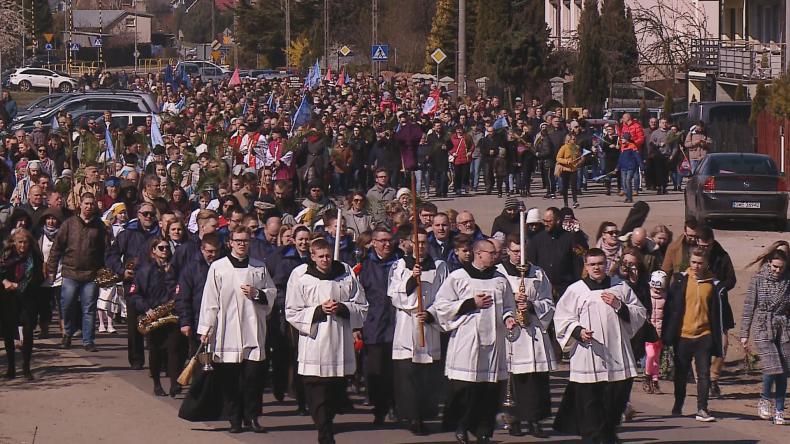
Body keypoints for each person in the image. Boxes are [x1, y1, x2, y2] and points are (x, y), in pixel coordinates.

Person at [553, 248, 646, 444]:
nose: (597, 268)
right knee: (590, 405)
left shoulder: (620, 287)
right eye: (592, 264)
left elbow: (640, 312)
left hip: (616, 354)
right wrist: (578, 331)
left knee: (614, 402)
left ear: (606, 264)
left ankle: (607, 434)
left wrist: (620, 306)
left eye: (600, 264)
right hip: (588, 356)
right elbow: (561, 318)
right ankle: (593, 438)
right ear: (586, 266)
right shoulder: (576, 290)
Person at [434, 239, 517, 444]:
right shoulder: (458, 277)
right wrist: (471, 303)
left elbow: (508, 305)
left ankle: (484, 431)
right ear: (478, 253)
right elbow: (441, 306)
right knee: (466, 389)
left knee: (489, 390)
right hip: (467, 340)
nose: (496, 256)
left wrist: (509, 318)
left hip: (493, 342)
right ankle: (462, 426)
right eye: (492, 253)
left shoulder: (500, 279)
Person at [285, 238, 368, 444]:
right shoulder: (301, 275)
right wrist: (319, 310)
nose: (325, 260)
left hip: (339, 341)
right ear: (312, 256)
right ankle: (324, 432)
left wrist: (343, 308)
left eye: (328, 255)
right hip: (315, 341)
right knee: (316, 389)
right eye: (320, 256)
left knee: (334, 390)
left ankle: (327, 423)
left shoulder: (346, 272)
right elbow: (292, 310)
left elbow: (362, 304)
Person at [197, 227, 277, 434]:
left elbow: (272, 293)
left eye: (246, 241)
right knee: (231, 380)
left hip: (253, 329)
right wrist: (206, 328)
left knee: (253, 379)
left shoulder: (259, 267)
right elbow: (210, 300)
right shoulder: (218, 267)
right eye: (238, 241)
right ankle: (234, 420)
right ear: (230, 243)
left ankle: (252, 417)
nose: (242, 244)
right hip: (227, 331)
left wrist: (257, 293)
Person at [387, 228, 449, 435]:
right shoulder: (401, 265)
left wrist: (431, 314)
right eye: (417, 242)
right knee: (409, 376)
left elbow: (445, 297)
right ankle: (412, 417)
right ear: (409, 244)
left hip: (429, 326)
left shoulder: (440, 266)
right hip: (407, 326)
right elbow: (395, 295)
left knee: (427, 378)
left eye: (424, 242)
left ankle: (425, 413)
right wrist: (412, 280)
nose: (420, 246)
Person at [497, 234, 556, 438]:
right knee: (514, 381)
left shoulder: (538, 272)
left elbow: (549, 301)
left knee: (537, 380)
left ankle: (536, 421)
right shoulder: (499, 273)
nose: (519, 255)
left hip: (534, 331)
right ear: (507, 251)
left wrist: (532, 305)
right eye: (515, 251)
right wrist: (511, 302)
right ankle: (513, 420)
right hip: (512, 333)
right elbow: (495, 301)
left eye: (522, 251)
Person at [663, 248, 731, 422]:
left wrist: (721, 332)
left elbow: (718, 311)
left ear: (706, 263)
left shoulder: (713, 284)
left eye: (700, 263)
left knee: (703, 374)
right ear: (689, 261)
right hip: (683, 335)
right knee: (681, 374)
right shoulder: (680, 280)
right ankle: (678, 405)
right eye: (693, 262)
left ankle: (702, 409)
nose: (696, 266)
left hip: (704, 335)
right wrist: (667, 333)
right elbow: (671, 308)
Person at [46, 192, 106, 351]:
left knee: (89, 308)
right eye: (86, 203)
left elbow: (103, 250)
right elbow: (56, 248)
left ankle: (88, 340)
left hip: (90, 274)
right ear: (80, 204)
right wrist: (51, 269)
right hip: (70, 272)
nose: (89, 207)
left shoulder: (99, 226)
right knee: (67, 305)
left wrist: (103, 270)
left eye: (91, 204)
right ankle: (67, 333)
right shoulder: (69, 224)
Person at [105, 201, 161, 368]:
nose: (149, 217)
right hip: (134, 282)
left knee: (156, 322)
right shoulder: (127, 233)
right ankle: (136, 360)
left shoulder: (161, 232)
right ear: (138, 215)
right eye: (145, 214)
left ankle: (157, 361)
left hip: (157, 283)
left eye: (152, 214)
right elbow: (112, 255)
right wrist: (121, 271)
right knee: (134, 324)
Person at [740, 250, 790, 425]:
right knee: (772, 366)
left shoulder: (788, 280)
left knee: (783, 370)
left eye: (781, 268)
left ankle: (779, 410)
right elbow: (748, 308)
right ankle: (765, 398)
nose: (777, 271)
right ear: (769, 263)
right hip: (762, 326)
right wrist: (744, 335)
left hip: (783, 327)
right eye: (775, 267)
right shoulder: (757, 279)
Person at [129, 238, 182, 396]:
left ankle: (174, 383)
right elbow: (134, 295)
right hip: (153, 316)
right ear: (153, 251)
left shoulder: (175, 269)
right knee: (155, 351)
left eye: (167, 247)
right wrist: (147, 309)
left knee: (174, 349)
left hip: (172, 315)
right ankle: (157, 384)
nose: (165, 250)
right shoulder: (144, 271)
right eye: (161, 248)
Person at [358, 226, 400, 424]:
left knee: (394, 370)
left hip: (396, 325)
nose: (386, 244)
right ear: (373, 242)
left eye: (389, 240)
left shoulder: (400, 263)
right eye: (382, 240)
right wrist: (357, 327)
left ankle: (393, 405)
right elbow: (358, 297)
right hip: (373, 326)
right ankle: (379, 407)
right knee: (375, 370)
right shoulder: (364, 266)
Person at [0, 229, 45, 380]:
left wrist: (19, 286)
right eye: (20, 242)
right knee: (8, 332)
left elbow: (38, 278)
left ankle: (26, 367)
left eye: (25, 242)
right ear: (14, 242)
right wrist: (5, 281)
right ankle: (11, 367)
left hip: (29, 298)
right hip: (8, 298)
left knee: (27, 332)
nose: (23, 245)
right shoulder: (6, 256)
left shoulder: (35, 257)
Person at [174, 232, 222, 357]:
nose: (213, 255)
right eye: (210, 251)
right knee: (199, 361)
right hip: (198, 320)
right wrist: (185, 322)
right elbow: (183, 297)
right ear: (202, 249)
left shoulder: (224, 265)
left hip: (221, 321)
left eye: (216, 251)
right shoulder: (191, 268)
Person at [526, 207, 581, 298]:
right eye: (544, 221)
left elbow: (577, 265)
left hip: (565, 288)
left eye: (549, 221)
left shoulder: (570, 239)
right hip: (543, 289)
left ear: (558, 221)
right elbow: (532, 263)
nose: (546, 224)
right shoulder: (537, 240)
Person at [644, 270, 668, 394]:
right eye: (655, 287)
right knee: (651, 355)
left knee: (656, 358)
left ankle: (655, 380)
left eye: (660, 288)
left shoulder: (666, 297)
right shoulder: (646, 295)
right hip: (649, 332)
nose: (657, 291)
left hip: (660, 333)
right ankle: (647, 376)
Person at [555, 134, 583, 208]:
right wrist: (566, 161)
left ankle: (575, 201)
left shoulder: (577, 147)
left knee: (574, 186)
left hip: (574, 169)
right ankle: (565, 203)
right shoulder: (564, 148)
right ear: (568, 140)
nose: (574, 140)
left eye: (575, 139)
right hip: (565, 170)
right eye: (573, 139)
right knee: (565, 187)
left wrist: (580, 161)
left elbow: (580, 157)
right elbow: (558, 158)